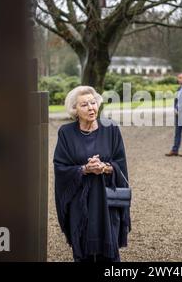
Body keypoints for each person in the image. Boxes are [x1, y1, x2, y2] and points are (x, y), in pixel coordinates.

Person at [53, 85, 130, 262]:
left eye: (93, 103)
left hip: (106, 200)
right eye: (84, 105)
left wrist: (105, 167)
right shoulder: (66, 133)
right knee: (82, 252)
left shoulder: (111, 129)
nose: (91, 108)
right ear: (75, 110)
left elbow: (121, 164)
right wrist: (84, 169)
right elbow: (60, 167)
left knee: (109, 254)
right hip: (80, 202)